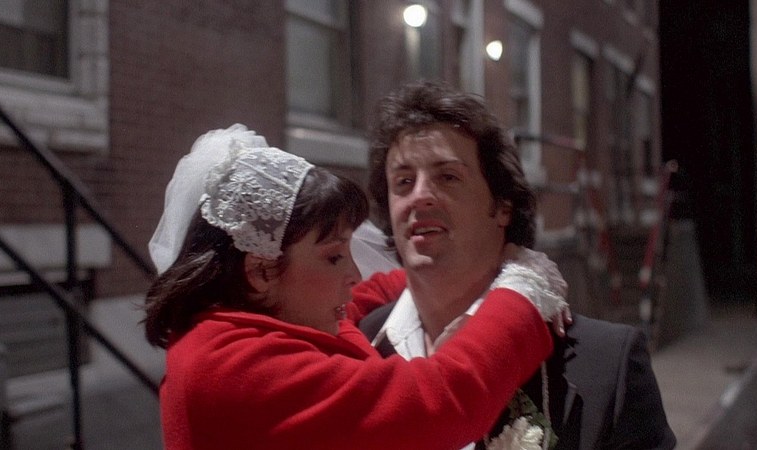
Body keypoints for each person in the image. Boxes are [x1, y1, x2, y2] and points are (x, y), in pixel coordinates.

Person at [143, 124, 568, 450]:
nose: (354, 273)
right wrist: (523, 288)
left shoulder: (247, 319)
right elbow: (442, 404)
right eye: (333, 257)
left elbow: (359, 300)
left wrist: (445, 272)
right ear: (261, 271)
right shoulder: (230, 369)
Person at [354, 81, 677, 449]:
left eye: (448, 177)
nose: (420, 196)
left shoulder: (606, 364)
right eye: (403, 181)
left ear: (502, 207)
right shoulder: (357, 345)